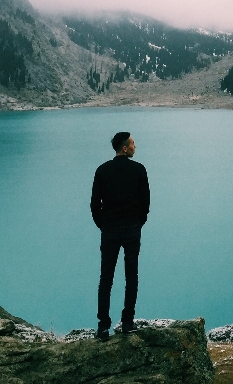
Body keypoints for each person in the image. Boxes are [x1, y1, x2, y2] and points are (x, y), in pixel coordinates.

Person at [90, 131, 150, 341]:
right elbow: (146, 203)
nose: (135, 147)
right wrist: (137, 223)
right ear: (125, 148)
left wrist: (104, 225)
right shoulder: (139, 170)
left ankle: (103, 326)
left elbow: (94, 204)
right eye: (133, 143)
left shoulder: (102, 170)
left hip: (110, 230)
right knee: (131, 277)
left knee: (106, 278)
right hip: (132, 229)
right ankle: (127, 323)